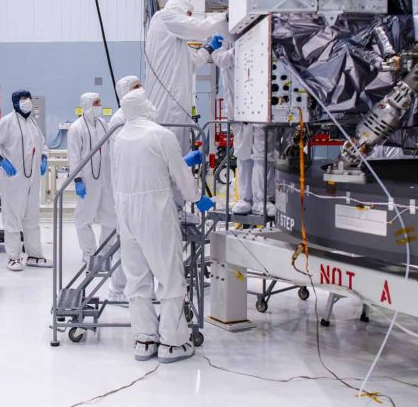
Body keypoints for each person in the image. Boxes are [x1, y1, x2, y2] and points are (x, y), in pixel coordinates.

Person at [110, 88, 202, 364]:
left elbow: (118, 176)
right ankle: (173, 342)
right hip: (155, 212)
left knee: (137, 279)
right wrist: (196, 197)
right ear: (144, 105)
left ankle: (145, 339)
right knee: (170, 276)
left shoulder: (119, 138)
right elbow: (181, 178)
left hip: (125, 214)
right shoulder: (162, 135)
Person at [143, 0, 226, 142]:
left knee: (178, 148)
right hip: (167, 106)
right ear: (180, 9)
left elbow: (191, 63)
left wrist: (209, 48)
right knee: (168, 147)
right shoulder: (163, 17)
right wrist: (226, 17)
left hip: (177, 105)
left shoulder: (176, 42)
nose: (189, 19)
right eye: (188, 15)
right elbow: (200, 28)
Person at [68, 92, 126, 301]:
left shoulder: (103, 123)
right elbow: (74, 155)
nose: (99, 106)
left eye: (99, 103)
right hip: (87, 180)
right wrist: (77, 179)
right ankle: (89, 252)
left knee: (109, 216)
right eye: (96, 103)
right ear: (86, 104)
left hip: (105, 179)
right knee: (83, 217)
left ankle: (104, 251)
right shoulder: (76, 128)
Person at [0, 90, 52, 271]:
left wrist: (44, 157)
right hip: (13, 179)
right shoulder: (7, 122)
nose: (27, 101)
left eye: (29, 98)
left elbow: (41, 143)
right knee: (13, 219)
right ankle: (13, 257)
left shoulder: (32, 122)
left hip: (32, 179)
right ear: (15, 102)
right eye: (23, 99)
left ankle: (34, 255)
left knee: (32, 218)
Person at [213, 47, 274, 217]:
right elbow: (221, 59)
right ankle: (245, 199)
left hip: (262, 109)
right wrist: (241, 48)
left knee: (263, 157)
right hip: (239, 112)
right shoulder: (225, 42)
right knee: (243, 156)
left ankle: (262, 200)